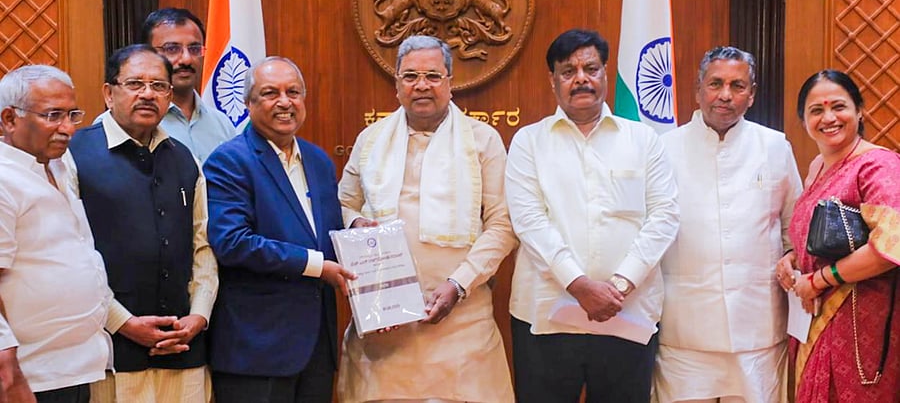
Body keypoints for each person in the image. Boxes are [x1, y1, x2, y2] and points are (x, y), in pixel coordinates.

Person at [337, 35, 519, 403]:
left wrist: (459, 284)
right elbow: (343, 204)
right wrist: (357, 226)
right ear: (397, 85)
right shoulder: (370, 140)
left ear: (451, 83)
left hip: (462, 324)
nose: (421, 85)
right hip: (385, 325)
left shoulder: (482, 140)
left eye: (433, 76)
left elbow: (503, 225)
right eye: (410, 76)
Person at [505, 28, 679, 402]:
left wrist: (617, 287)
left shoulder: (643, 140)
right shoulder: (528, 142)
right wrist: (580, 286)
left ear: (604, 73)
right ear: (553, 80)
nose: (581, 78)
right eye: (568, 71)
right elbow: (530, 222)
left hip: (627, 316)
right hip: (546, 319)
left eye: (590, 68)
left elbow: (664, 216)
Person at [67, 45, 218, 402]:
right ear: (108, 93)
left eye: (159, 86)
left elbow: (204, 244)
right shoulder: (73, 156)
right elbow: (71, 257)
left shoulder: (184, 158)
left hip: (185, 348)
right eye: (135, 83)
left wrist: (199, 316)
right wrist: (124, 323)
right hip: (110, 352)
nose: (148, 94)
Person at [654, 47, 802, 403]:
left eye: (737, 85)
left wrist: (793, 257)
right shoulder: (663, 148)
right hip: (683, 332)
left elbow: (795, 229)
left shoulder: (774, 146)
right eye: (715, 83)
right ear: (698, 89)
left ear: (751, 94)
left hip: (757, 330)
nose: (725, 95)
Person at [203, 56, 354, 403]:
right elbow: (232, 242)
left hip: (316, 346)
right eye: (270, 93)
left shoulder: (317, 160)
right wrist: (317, 266)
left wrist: (360, 232)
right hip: (258, 348)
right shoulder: (229, 160)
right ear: (248, 103)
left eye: (294, 92)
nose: (285, 102)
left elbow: (326, 234)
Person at [777, 70, 900, 402]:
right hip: (812, 321)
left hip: (862, 327)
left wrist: (819, 280)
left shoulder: (877, 165)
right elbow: (820, 235)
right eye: (816, 110)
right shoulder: (818, 165)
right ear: (803, 120)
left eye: (839, 107)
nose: (828, 117)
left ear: (859, 111)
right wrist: (792, 258)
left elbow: (892, 245)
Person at [0, 66, 111, 402]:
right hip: (27, 375)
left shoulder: (59, 166)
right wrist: (8, 369)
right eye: (53, 116)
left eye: (72, 114)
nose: (68, 129)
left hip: (76, 366)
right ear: (9, 119)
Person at [94, 8, 235, 162]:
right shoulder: (117, 123)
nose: (186, 60)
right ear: (146, 53)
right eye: (172, 49)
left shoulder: (222, 124)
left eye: (194, 49)